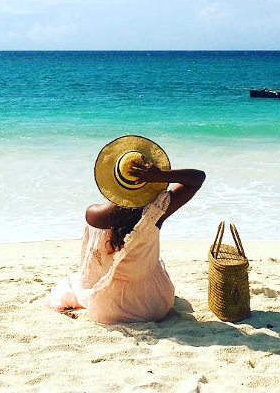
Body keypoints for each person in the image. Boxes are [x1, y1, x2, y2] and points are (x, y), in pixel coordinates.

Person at [44, 135, 205, 324]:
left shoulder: (93, 214)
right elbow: (198, 177)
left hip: (107, 308)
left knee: (72, 284)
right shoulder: (156, 212)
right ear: (149, 182)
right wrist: (161, 175)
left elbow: (91, 265)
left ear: (112, 181)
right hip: (154, 305)